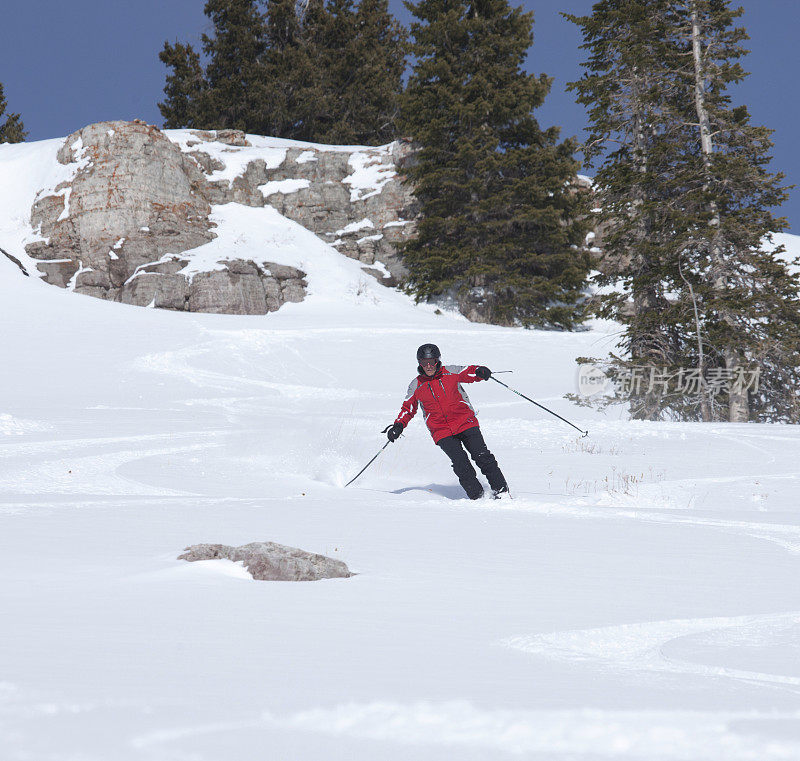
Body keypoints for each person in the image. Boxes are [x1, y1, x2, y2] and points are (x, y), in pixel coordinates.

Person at [384, 343, 509, 500]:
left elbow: (469, 371)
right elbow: (407, 409)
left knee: (482, 456)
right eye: (424, 363)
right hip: (441, 431)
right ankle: (479, 497)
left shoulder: (451, 372)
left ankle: (502, 492)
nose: (428, 366)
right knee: (461, 463)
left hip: (465, 421)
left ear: (438, 361)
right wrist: (398, 425)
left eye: (432, 362)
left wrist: (480, 371)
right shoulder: (415, 385)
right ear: (419, 363)